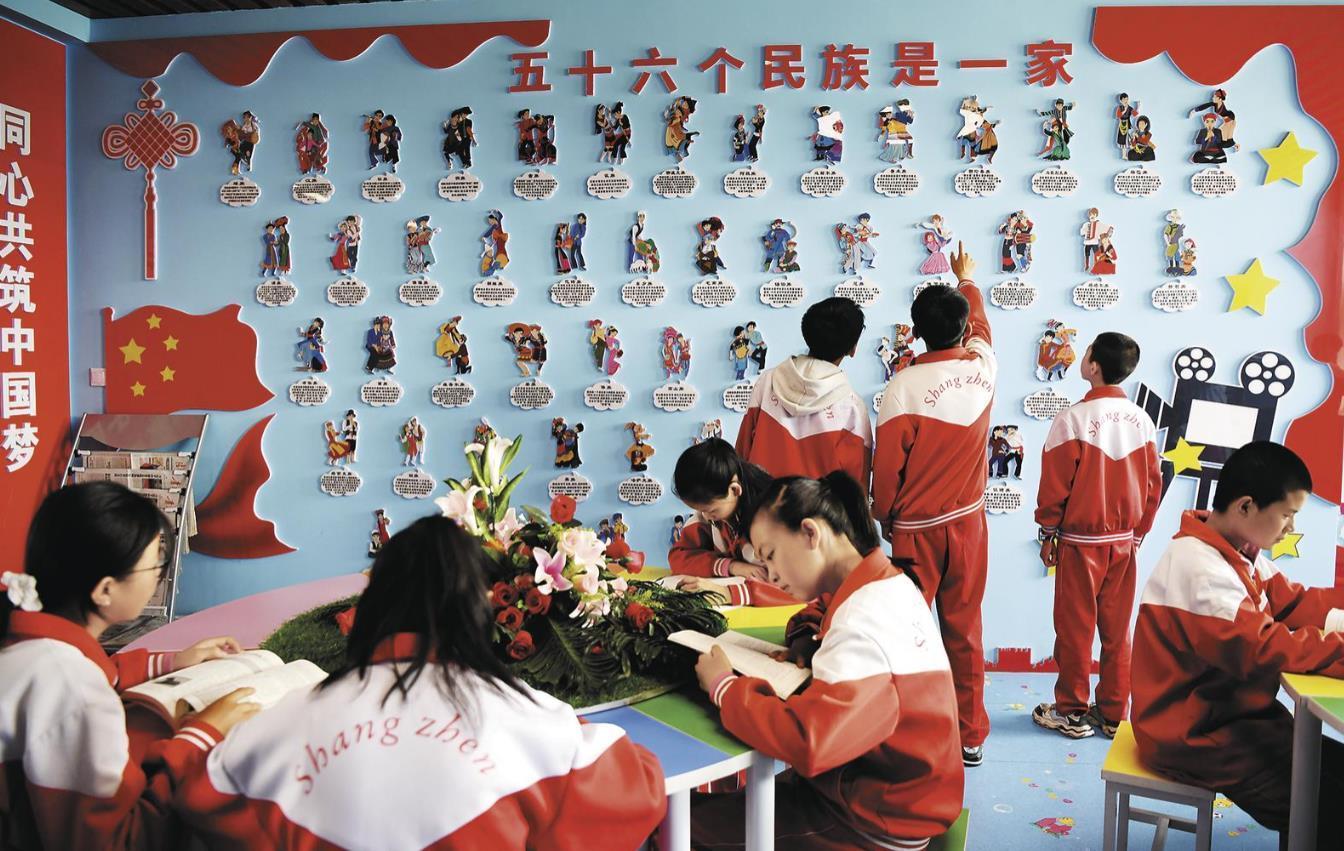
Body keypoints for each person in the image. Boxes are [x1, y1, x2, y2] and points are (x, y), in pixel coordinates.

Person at [177, 516, 665, 848]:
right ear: (483, 609)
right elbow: (638, 791)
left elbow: (198, 792)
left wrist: (200, 732)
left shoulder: (286, 721)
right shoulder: (536, 725)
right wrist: (554, 720)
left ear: (372, 601)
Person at [689, 472, 964, 850]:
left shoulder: (859, 624)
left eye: (770, 555)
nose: (771, 575)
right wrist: (806, 642)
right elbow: (817, 612)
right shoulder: (886, 582)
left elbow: (810, 742)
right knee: (709, 808)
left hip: (871, 821)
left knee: (679, 827)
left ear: (809, 533)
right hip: (879, 792)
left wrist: (724, 687)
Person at [0, 482, 259, 849]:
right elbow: (115, 842)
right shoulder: (75, 690)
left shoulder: (31, 643)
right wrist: (202, 735)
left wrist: (172, 661)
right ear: (105, 590)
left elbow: (100, 669)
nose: (158, 575)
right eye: (155, 564)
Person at [1131, 442, 1344, 850]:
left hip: (1237, 719)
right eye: (1287, 515)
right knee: (1325, 808)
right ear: (1246, 506)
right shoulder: (1199, 568)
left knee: (1331, 774)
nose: (1291, 528)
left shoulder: (1237, 551)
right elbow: (1265, 648)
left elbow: (1294, 603)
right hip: (1197, 736)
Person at [872, 241, 995, 767]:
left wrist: (883, 516)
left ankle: (906, 730)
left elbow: (886, 471)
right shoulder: (985, 366)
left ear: (915, 331)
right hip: (968, 526)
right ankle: (970, 736)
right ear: (963, 329)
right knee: (964, 631)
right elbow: (983, 327)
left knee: (905, 632)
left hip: (915, 531)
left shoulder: (902, 387)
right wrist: (967, 280)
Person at [1032, 333, 1161, 740]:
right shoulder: (1142, 420)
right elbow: (1153, 486)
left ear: (1092, 366)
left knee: (1075, 629)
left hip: (1080, 543)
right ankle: (1113, 713)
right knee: (1117, 631)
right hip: (1124, 542)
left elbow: (1055, 487)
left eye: (1086, 351)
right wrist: (1138, 533)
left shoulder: (1071, 419)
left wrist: (1048, 533)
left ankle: (1071, 711)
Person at [735, 297, 872, 496]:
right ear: (853, 348)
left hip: (762, 507)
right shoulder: (853, 407)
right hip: (818, 513)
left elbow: (742, 451)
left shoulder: (767, 381)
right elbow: (856, 487)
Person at [668, 439, 795, 607]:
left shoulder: (776, 518)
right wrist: (731, 566)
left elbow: (802, 584)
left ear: (734, 490)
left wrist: (729, 593)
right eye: (699, 510)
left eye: (711, 510)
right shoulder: (711, 513)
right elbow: (678, 556)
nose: (705, 517)